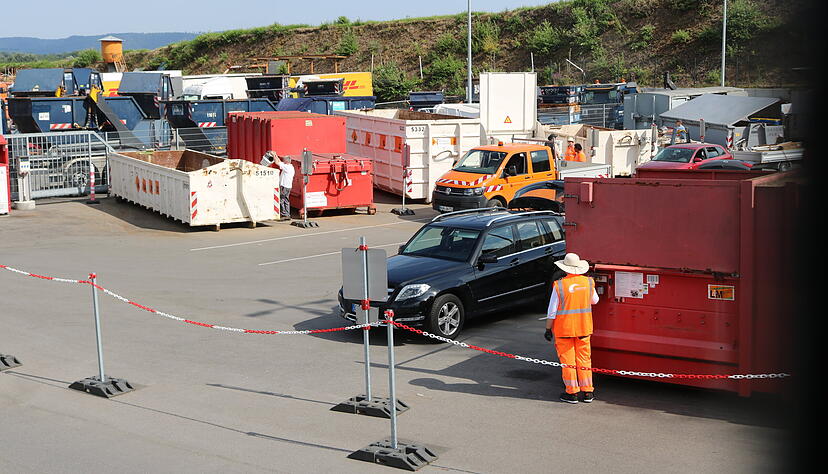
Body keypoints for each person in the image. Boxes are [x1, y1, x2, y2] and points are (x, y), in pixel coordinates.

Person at [544, 253, 599, 404]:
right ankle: (588, 392)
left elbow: (552, 311)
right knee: (584, 360)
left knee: (568, 362)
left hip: (564, 330)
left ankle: (572, 393)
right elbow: (595, 300)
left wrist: (548, 329)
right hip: (584, 328)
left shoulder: (560, 285)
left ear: (565, 268)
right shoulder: (588, 282)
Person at [268, 152, 295, 222]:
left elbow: (277, 163)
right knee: (286, 200)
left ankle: (284, 214)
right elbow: (279, 162)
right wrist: (275, 155)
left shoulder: (287, 167)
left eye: (284, 160)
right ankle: (287, 214)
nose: (283, 160)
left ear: (286, 161)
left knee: (282, 200)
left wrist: (273, 155)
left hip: (284, 186)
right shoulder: (290, 166)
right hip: (288, 186)